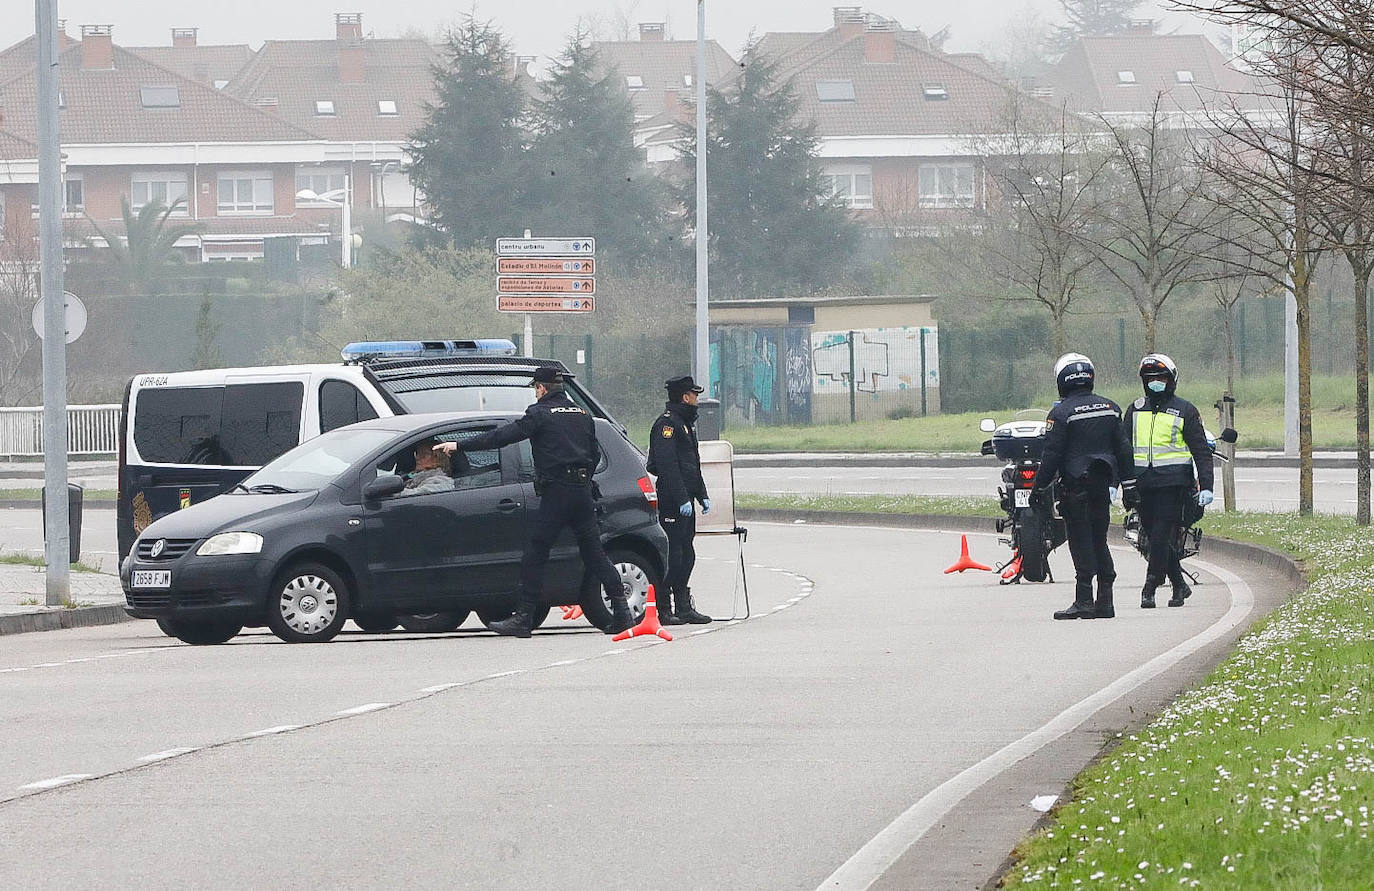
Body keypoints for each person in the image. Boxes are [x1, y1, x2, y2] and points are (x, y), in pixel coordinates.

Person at [438, 366, 634, 638]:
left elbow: (502, 437)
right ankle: (623, 614)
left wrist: (460, 446)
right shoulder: (582, 414)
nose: (535, 393)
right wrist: (582, 475)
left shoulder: (539, 414)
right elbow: (593, 455)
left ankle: (523, 617)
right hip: (581, 491)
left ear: (541, 388)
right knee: (594, 553)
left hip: (558, 493)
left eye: (535, 389)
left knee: (536, 553)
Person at [1032, 353, 1135, 620]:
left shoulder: (1061, 413)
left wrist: (1038, 488)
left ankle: (1084, 601)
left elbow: (1051, 455)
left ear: (1062, 381)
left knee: (1080, 541)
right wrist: (1130, 485)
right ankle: (1106, 602)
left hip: (1075, 487)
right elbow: (1124, 450)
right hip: (1102, 486)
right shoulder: (1111, 408)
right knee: (1099, 540)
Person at [1120, 354, 1214, 609]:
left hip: (1174, 486)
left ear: (1171, 380)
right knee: (1152, 537)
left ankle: (1150, 585)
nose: (1155, 383)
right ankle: (1179, 584)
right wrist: (1116, 481)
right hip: (1143, 485)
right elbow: (1123, 447)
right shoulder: (1135, 409)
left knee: (1161, 535)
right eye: (1150, 379)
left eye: (1161, 378)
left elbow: (1201, 451)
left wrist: (1207, 486)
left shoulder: (1185, 410)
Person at [648, 375, 712, 625]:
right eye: (694, 395)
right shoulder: (667, 426)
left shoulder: (685, 424)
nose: (697, 400)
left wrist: (702, 494)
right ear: (685, 397)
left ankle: (683, 606)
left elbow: (691, 465)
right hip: (673, 498)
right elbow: (667, 466)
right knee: (673, 554)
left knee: (687, 553)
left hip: (686, 497)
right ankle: (664, 608)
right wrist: (681, 498)